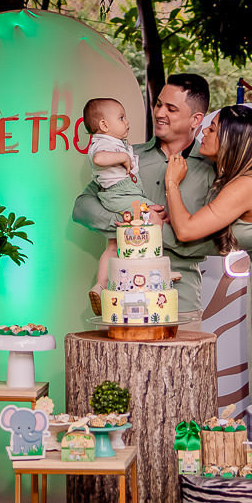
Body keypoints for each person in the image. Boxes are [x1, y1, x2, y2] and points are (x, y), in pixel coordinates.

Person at [162, 103, 252, 369]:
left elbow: (185, 231)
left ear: (231, 140)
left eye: (212, 128)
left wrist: (172, 183)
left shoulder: (246, 186)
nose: (203, 133)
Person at [72, 74, 217, 323]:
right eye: (159, 104)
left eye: (171, 108)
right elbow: (82, 207)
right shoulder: (125, 155)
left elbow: (219, 243)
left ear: (196, 119)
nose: (159, 112)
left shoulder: (210, 170)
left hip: (179, 304)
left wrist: (157, 233)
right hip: (122, 300)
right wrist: (129, 224)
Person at [81, 96, 158, 312]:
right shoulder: (103, 142)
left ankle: (100, 285)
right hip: (121, 192)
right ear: (104, 125)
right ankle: (156, 270)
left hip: (116, 194)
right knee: (154, 217)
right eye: (121, 118)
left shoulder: (114, 141)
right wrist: (122, 156)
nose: (127, 122)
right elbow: (98, 159)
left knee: (113, 245)